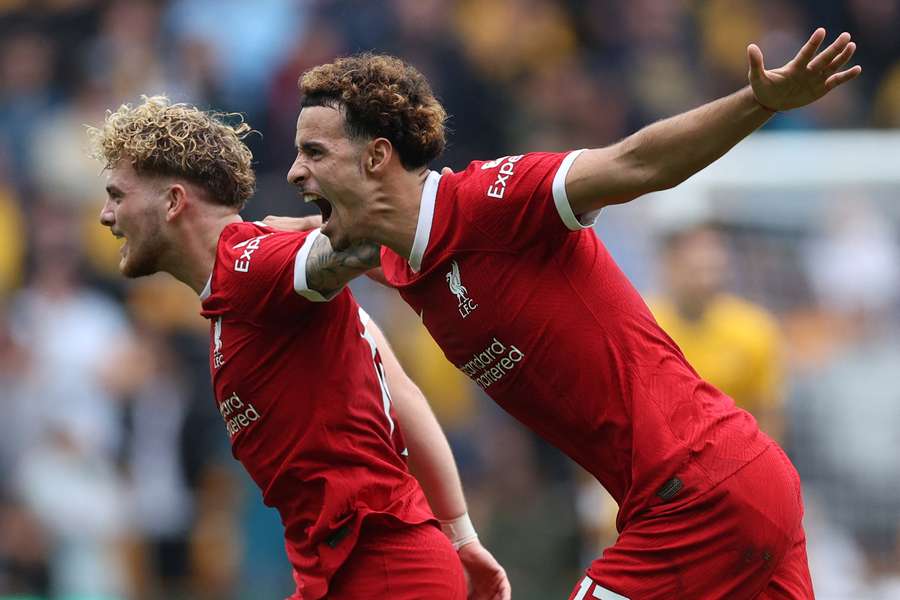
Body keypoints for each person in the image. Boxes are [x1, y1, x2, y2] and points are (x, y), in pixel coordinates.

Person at [281, 29, 861, 599]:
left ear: (377, 156)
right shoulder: (399, 257)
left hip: (697, 491)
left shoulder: (493, 201)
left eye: (314, 152)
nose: (294, 172)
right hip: (731, 487)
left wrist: (757, 102)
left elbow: (637, 163)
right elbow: (289, 242)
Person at [88, 96, 509, 600]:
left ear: (174, 201)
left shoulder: (252, 264)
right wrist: (460, 536)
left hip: (387, 571)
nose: (105, 215)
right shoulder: (235, 297)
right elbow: (402, 396)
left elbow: (369, 242)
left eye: (116, 195)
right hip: (341, 574)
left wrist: (324, 233)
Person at [649, 223, 785, 441]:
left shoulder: (754, 329)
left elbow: (767, 411)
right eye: (695, 269)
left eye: (712, 268)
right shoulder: (645, 324)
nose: (705, 279)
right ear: (669, 264)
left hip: (733, 454)